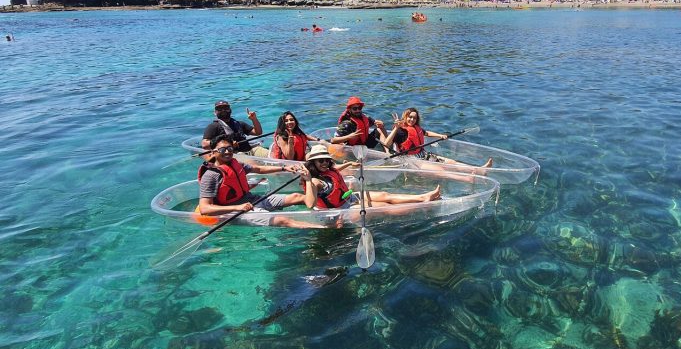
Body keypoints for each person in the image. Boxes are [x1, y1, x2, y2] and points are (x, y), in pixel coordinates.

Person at [197, 135, 320, 228]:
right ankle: (323, 227)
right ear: (213, 152)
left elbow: (259, 168)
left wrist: (284, 167)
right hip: (235, 211)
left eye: (229, 148)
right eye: (222, 150)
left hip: (253, 200)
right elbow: (205, 208)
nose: (228, 152)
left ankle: (326, 209)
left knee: (296, 196)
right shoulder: (211, 175)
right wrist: (238, 207)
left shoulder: (236, 164)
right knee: (281, 220)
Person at [302, 145, 441, 210]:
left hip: (348, 196)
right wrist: (308, 180)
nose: (325, 163)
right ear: (313, 163)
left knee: (385, 194)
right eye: (321, 161)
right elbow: (310, 205)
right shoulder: (314, 181)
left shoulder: (328, 169)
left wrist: (349, 163)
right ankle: (422, 206)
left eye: (326, 160)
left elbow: (335, 169)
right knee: (384, 207)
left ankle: (423, 197)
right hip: (341, 208)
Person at [384, 107, 493, 168]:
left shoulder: (416, 128)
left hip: (424, 155)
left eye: (414, 118)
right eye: (410, 117)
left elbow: (426, 133)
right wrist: (395, 128)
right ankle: (470, 177)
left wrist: (440, 135)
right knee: (443, 169)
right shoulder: (399, 131)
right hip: (412, 160)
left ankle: (479, 170)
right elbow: (386, 144)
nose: (412, 120)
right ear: (405, 117)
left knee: (451, 162)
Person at [202, 100, 269, 157]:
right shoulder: (213, 126)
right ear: (215, 112)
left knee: (269, 154)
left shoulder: (239, 123)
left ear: (230, 110)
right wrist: (228, 143)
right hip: (234, 154)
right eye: (219, 109)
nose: (223, 110)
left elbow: (258, 132)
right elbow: (204, 144)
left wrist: (254, 119)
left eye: (226, 108)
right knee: (243, 156)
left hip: (250, 150)